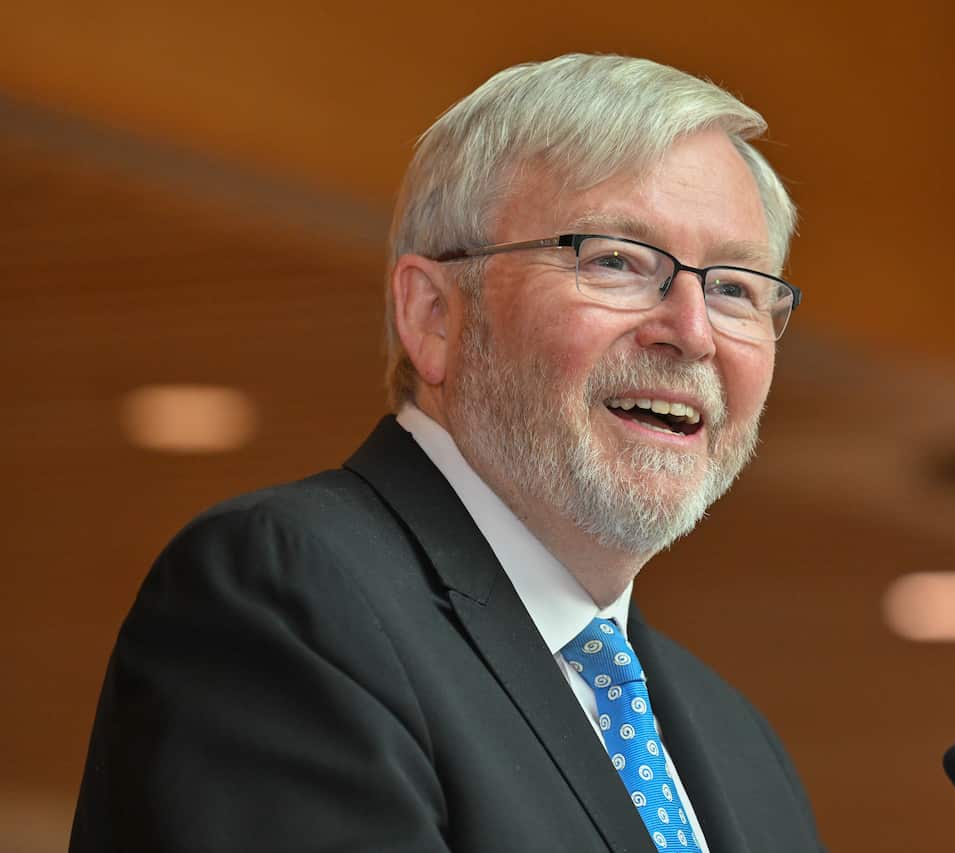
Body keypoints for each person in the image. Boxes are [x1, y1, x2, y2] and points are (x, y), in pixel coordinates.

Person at [71, 53, 824, 852]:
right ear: (433, 314)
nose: (693, 330)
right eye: (615, 261)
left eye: (736, 286)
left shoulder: (744, 750)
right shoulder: (286, 596)